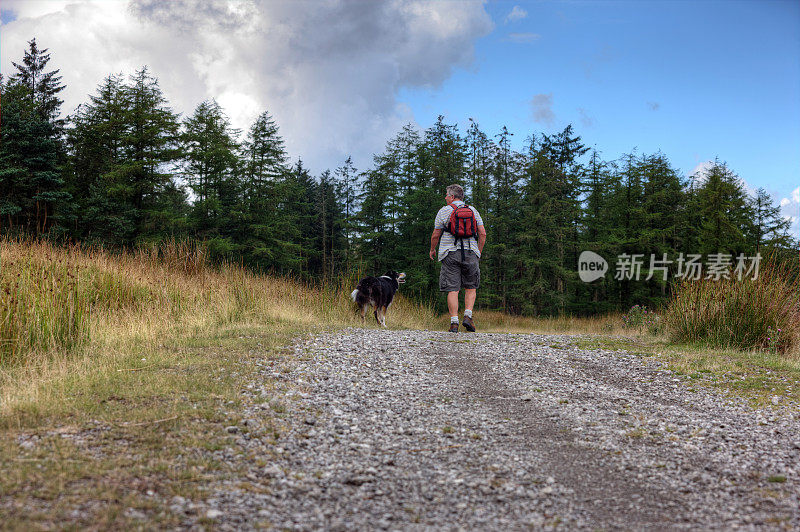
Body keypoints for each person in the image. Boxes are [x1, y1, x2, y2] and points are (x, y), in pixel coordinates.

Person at [429, 184, 487, 333]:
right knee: (471, 286)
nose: (445, 197)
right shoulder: (473, 210)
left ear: (453, 197)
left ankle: (454, 323)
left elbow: (436, 234)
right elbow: (483, 233)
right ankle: (468, 316)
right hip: (471, 252)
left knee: (453, 289)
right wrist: (478, 252)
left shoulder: (444, 211)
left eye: (447, 195)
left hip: (450, 252)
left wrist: (432, 249)